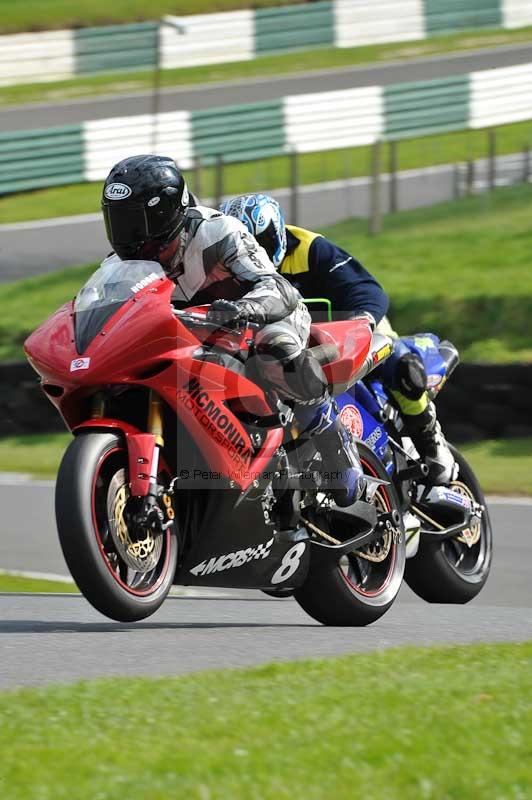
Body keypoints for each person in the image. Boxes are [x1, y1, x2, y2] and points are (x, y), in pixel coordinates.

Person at [101, 154, 366, 507]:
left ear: (164, 212)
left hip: (258, 320)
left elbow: (278, 288)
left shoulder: (217, 231)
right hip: (192, 339)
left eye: (135, 222)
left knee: (274, 347)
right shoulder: (119, 266)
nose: (126, 236)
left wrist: (246, 309)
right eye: (118, 222)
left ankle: (328, 431)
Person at [219, 193, 456, 485]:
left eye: (263, 244)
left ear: (278, 233)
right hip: (292, 356)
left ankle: (431, 441)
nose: (258, 255)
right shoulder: (229, 273)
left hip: (346, 334)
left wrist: (359, 324)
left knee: (401, 364)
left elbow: (366, 288)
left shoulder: (309, 249)